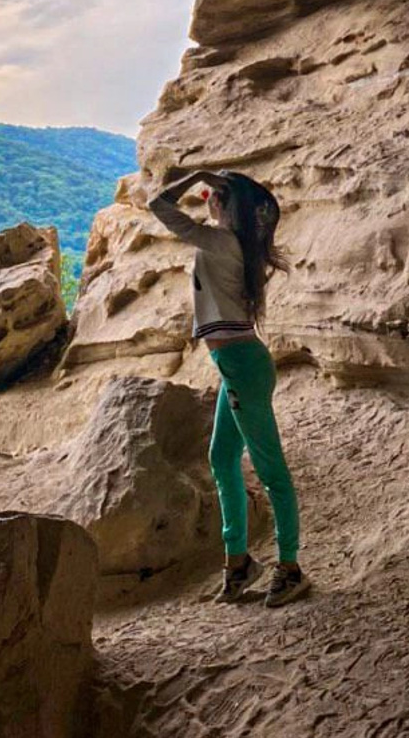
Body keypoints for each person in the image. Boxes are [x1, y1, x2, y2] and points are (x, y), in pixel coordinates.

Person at [147, 168, 309, 607]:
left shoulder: (221, 242)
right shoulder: (235, 244)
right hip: (236, 363)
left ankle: (290, 568)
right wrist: (210, 182)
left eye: (213, 194)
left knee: (270, 470)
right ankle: (238, 564)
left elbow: (158, 207)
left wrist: (195, 176)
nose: (205, 197)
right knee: (221, 459)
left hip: (241, 365)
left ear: (226, 205)